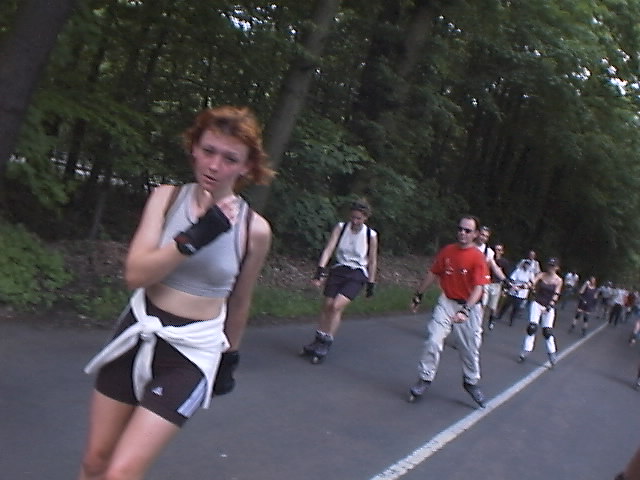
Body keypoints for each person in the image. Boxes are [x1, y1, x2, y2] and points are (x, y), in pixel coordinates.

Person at [77, 106, 274, 480]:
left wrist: (229, 358)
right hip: (139, 329)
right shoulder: (166, 198)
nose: (214, 165)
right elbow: (136, 274)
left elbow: (240, 300)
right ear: (194, 148)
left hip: (191, 352)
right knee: (95, 462)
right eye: (208, 150)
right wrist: (195, 237)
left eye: (230, 158)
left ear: (247, 167)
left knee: (120, 473)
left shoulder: (255, 230)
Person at [408, 215, 490, 408]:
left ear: (475, 234)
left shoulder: (478, 257)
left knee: (469, 349)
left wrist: (465, 310)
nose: (462, 233)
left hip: (469, 306)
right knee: (433, 340)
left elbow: (479, 288)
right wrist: (418, 294)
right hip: (447, 302)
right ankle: (425, 378)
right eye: (460, 229)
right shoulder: (448, 251)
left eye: (467, 231)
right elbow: (433, 273)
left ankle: (471, 382)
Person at [300, 199, 378, 364]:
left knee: (336, 306)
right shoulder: (341, 228)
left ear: (365, 218)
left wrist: (371, 283)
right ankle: (318, 339)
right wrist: (320, 271)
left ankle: (326, 341)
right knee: (327, 305)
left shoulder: (370, 235)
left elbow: (372, 260)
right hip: (339, 269)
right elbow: (329, 249)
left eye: (359, 218)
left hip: (357, 273)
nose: (355, 221)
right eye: (353, 217)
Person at [517, 257, 563, 367]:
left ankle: (552, 353)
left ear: (557, 268)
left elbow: (556, 294)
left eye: (553, 266)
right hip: (537, 303)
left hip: (548, 306)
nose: (550, 268)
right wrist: (519, 287)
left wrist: (549, 306)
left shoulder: (558, 280)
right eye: (549, 265)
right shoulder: (541, 275)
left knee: (547, 331)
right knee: (532, 327)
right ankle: (526, 350)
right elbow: (531, 283)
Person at [473, 228, 510, 330]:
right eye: (482, 234)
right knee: (480, 305)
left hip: (490, 284)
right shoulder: (469, 245)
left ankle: (482, 324)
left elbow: (496, 269)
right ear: (477, 234)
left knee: (489, 306)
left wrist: (506, 282)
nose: (483, 237)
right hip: (475, 282)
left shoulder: (488, 253)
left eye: (486, 236)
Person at [496, 259, 536, 326]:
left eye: (528, 265)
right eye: (525, 264)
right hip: (514, 289)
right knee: (506, 304)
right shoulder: (518, 271)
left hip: (522, 292)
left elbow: (532, 282)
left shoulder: (530, 274)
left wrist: (526, 286)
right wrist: (512, 286)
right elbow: (512, 278)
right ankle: (499, 315)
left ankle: (511, 320)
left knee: (516, 307)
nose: (526, 266)